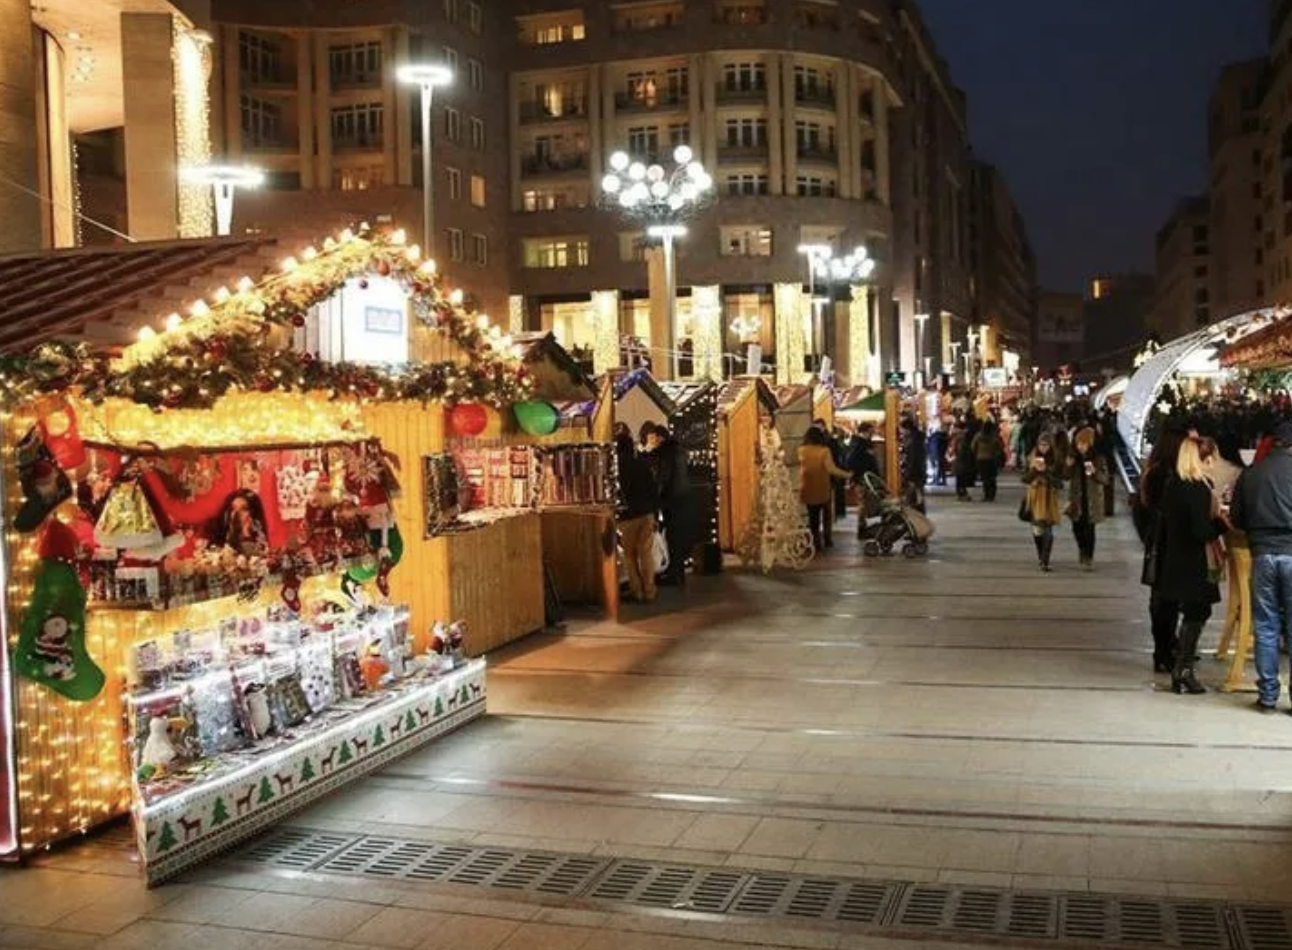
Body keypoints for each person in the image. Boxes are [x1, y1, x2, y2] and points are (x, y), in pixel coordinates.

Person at [1228, 419, 1292, 713]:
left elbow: (1238, 519)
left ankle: (1268, 695)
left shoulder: (1251, 474)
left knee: (1265, 625)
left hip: (1262, 555)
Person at [1155, 437, 1225, 695]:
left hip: (1176, 559)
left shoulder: (1173, 485)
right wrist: (1220, 523)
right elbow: (1201, 531)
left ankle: (1181, 670)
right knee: (1198, 612)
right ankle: (1183, 671)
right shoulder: (1197, 489)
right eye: (1210, 459)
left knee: (1194, 612)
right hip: (1194, 563)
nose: (1213, 464)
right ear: (1200, 460)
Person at [1139, 425, 1188, 673]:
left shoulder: (1153, 473)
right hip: (1166, 545)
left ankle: (1165, 648)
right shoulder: (1167, 477)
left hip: (1156, 543)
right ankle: (1165, 649)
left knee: (1160, 599)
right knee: (1165, 600)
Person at [643, 422, 695, 586]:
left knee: (672, 537)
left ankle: (673, 574)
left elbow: (662, 478)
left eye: (654, 438)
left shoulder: (665, 453)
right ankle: (678, 572)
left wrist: (656, 500)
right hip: (683, 498)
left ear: (660, 437)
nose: (652, 441)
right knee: (678, 536)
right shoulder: (679, 451)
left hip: (671, 499)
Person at [615, 431, 660, 603]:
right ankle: (650, 591)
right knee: (646, 554)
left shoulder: (616, 467)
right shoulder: (641, 465)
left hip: (627, 516)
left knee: (629, 555)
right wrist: (655, 513)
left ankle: (637, 591)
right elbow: (653, 489)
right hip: (646, 513)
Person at [799, 426, 850, 552]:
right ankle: (827, 539)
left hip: (807, 487)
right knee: (827, 515)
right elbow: (831, 469)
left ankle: (815, 542)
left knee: (813, 517)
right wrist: (847, 474)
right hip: (823, 488)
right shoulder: (825, 451)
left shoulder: (801, 450)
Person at [1065, 427, 1110, 569]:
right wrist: (1068, 466)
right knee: (1076, 527)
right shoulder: (1074, 458)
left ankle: (1088, 557)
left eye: (1083, 444)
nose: (1080, 447)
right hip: (1076, 499)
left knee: (1089, 529)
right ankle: (1082, 550)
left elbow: (1106, 479)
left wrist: (1095, 473)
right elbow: (1065, 476)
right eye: (1078, 444)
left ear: (1090, 444)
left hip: (1092, 500)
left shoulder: (1099, 458)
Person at [1020, 432, 1064, 571]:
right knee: (1037, 531)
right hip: (1034, 498)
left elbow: (1060, 483)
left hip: (1049, 498)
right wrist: (1034, 471)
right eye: (1041, 444)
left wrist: (1046, 472)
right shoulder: (1031, 458)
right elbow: (1025, 479)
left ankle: (1045, 561)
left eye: (1046, 445)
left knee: (1048, 530)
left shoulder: (1056, 460)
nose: (1043, 447)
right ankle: (1041, 555)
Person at [971, 421, 1006, 502]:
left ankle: (986, 495)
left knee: (985, 478)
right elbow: (1000, 447)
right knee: (992, 477)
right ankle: (992, 495)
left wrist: (976, 454)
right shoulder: (994, 436)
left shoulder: (978, 436)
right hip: (992, 459)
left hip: (981, 459)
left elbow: (973, 447)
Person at [900, 416, 928, 513]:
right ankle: (920, 519)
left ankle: (918, 521)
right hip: (919, 473)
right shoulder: (917, 439)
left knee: (914, 499)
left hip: (915, 475)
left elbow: (913, 460)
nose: (901, 432)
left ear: (907, 429)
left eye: (902, 429)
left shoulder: (914, 442)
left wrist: (909, 476)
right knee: (917, 497)